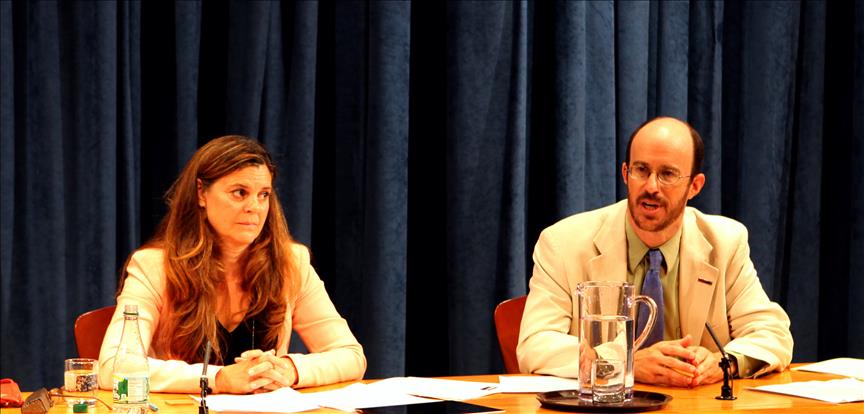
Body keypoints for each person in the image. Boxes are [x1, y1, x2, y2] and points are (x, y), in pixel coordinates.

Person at [517, 117, 793, 387]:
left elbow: (772, 333)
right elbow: (535, 344)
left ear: (695, 186)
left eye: (667, 174)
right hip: (604, 406)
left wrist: (723, 362)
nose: (651, 187)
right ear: (625, 174)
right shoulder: (564, 243)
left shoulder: (725, 243)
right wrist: (625, 361)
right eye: (641, 170)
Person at [98, 135, 366, 393]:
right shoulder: (153, 267)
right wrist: (218, 378)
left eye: (264, 195)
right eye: (240, 193)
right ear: (201, 193)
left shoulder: (291, 263)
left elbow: (351, 355)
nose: (255, 207)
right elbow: (113, 366)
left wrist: (289, 369)